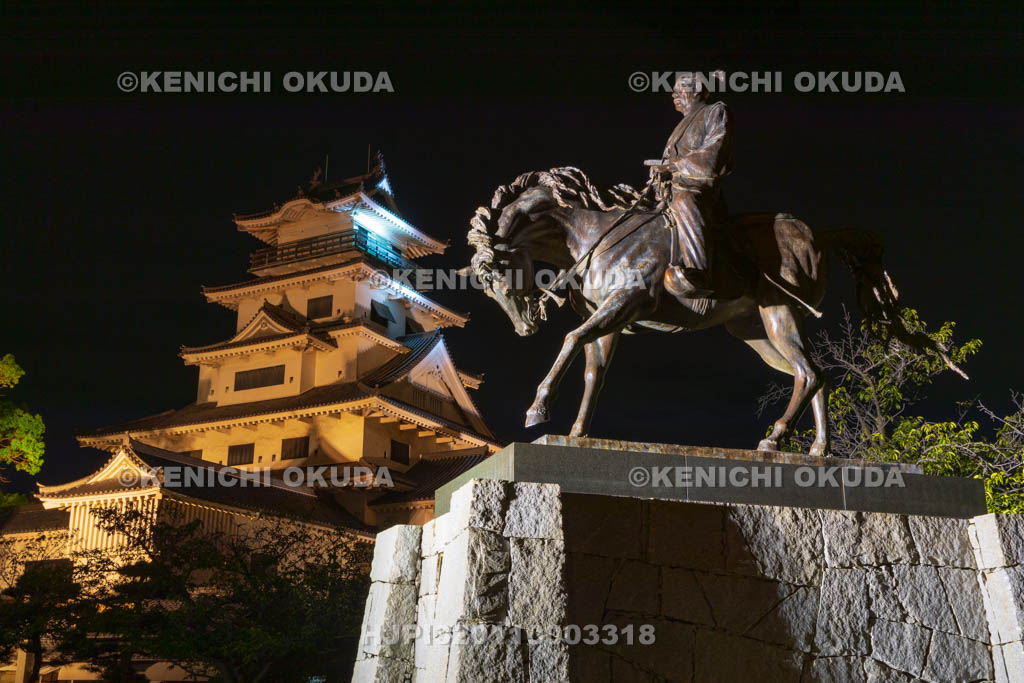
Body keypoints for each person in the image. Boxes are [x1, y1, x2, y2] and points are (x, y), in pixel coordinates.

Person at [651, 70, 733, 298]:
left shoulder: (714, 111)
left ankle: (698, 272)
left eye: (679, 89)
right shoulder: (682, 125)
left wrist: (674, 167)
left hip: (696, 187)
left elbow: (715, 149)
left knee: (683, 200)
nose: (673, 94)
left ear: (697, 90)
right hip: (669, 186)